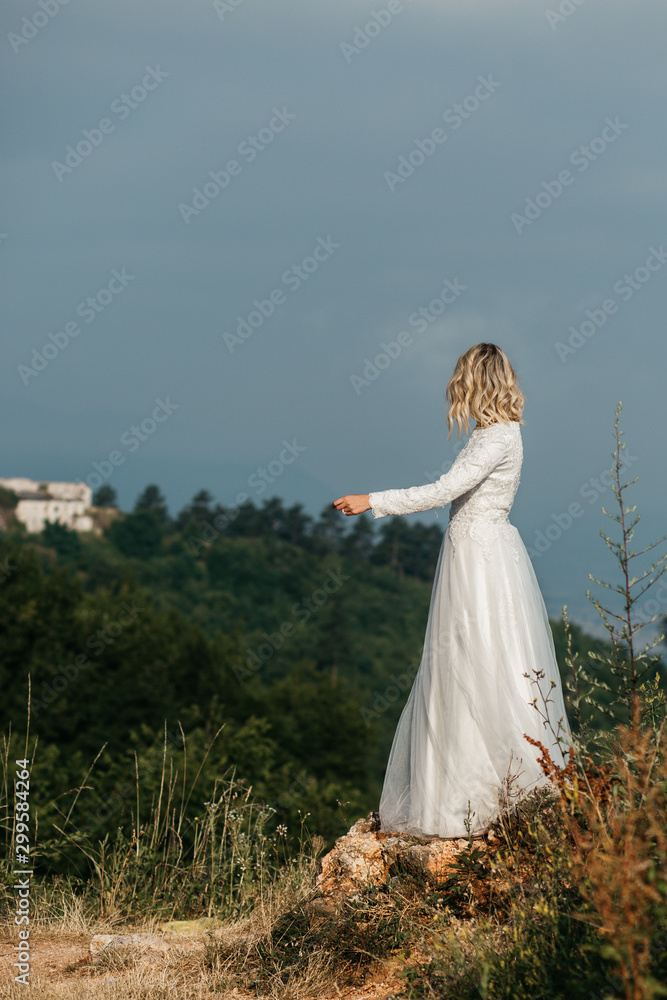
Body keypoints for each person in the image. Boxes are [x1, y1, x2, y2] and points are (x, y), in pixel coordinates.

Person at [332, 343, 572, 839]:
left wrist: (372, 500)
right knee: (466, 662)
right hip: (481, 553)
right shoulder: (504, 434)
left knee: (471, 662)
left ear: (475, 383)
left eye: (460, 381)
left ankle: (470, 799)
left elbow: (443, 490)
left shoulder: (495, 439)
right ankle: (473, 793)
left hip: (478, 562)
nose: (453, 391)